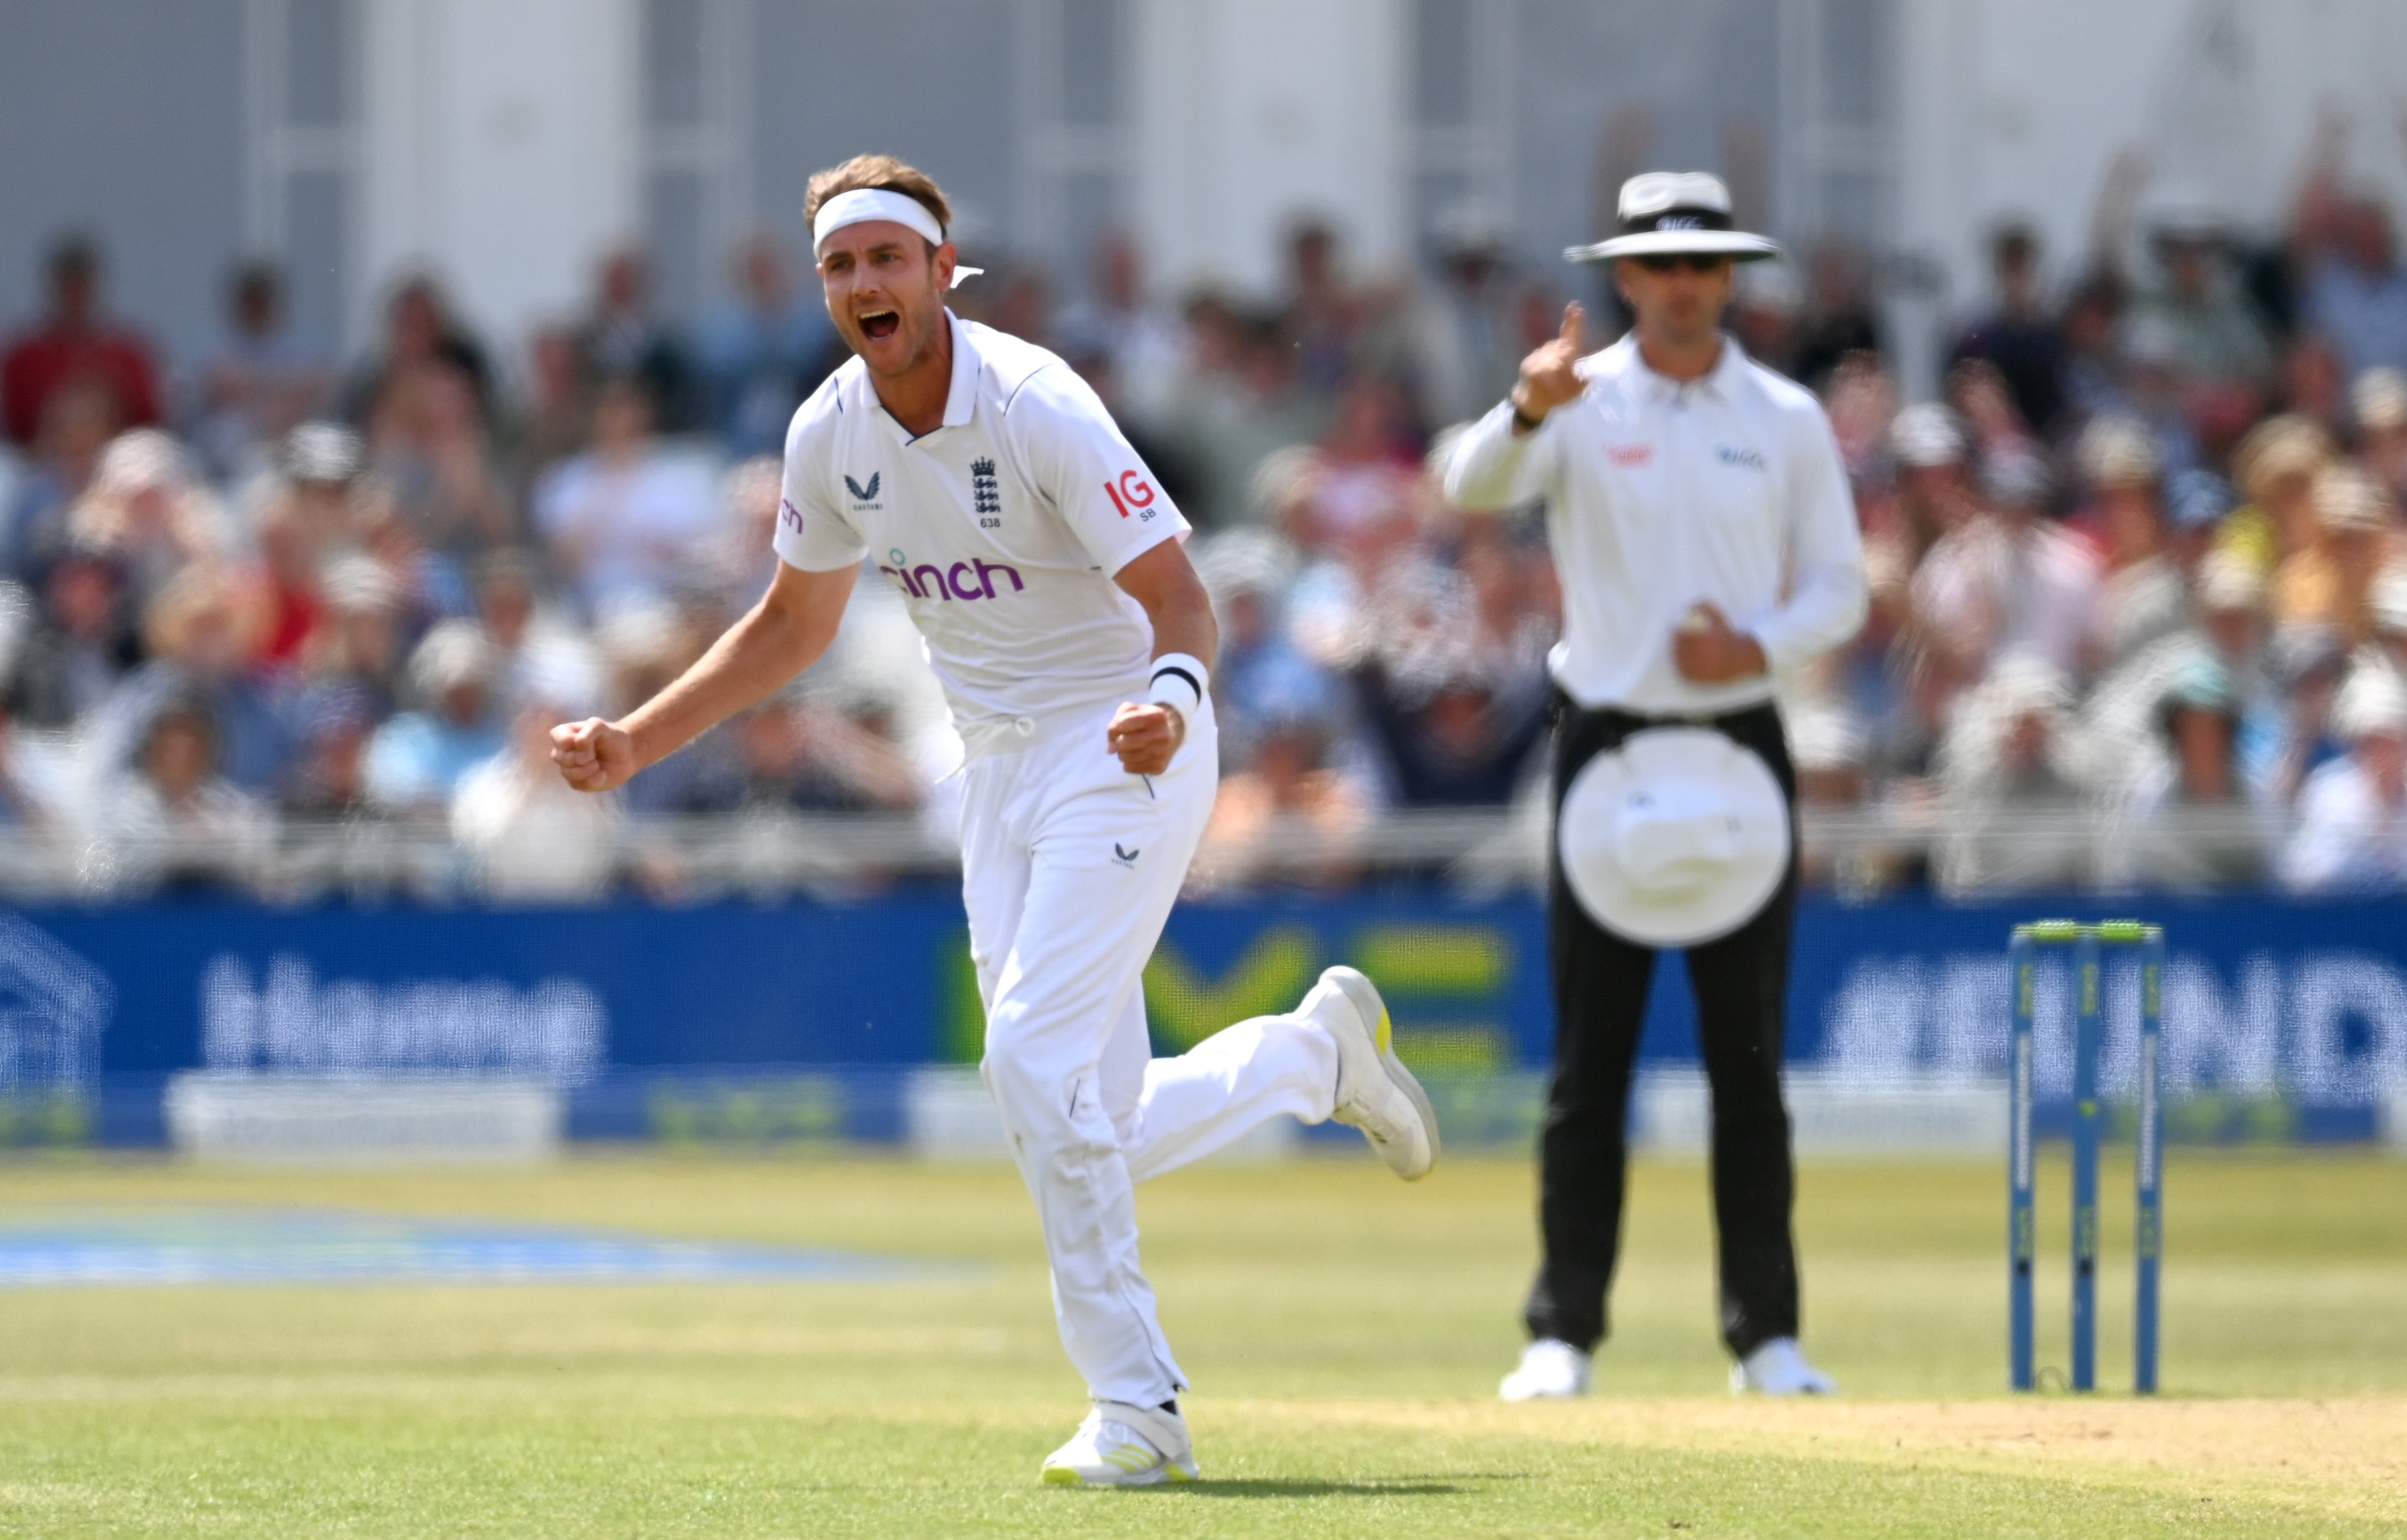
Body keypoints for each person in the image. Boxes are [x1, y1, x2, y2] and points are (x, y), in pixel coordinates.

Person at [546, 154, 1439, 1487]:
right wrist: (638, 738)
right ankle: (1312, 1060)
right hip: (997, 772)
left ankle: (1136, 1408)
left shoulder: (1035, 403)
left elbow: (1180, 597)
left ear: (938, 270)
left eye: (885, 259)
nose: (863, 285)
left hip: (1127, 741)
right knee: (1095, 1119)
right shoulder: (828, 433)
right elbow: (792, 624)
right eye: (840, 267)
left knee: (1025, 1063)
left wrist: (1172, 701)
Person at [1444, 171, 1866, 1401]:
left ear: (1728, 277)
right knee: (1591, 1061)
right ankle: (1560, 1332)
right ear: (1623, 276)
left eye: (1704, 264)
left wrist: (1757, 647)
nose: (1683, 286)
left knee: (1748, 1065)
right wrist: (1525, 408)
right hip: (1608, 740)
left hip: (1737, 737)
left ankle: (1767, 1338)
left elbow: (1838, 586)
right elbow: (1469, 488)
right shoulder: (1576, 399)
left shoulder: (1782, 415)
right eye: (1660, 265)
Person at [1, 235, 162, 449]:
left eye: (81, 286)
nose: (75, 295)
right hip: (41, 463)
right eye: (68, 286)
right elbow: (15, 425)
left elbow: (149, 424)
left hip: (115, 464)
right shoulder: (25, 356)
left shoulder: (125, 352)